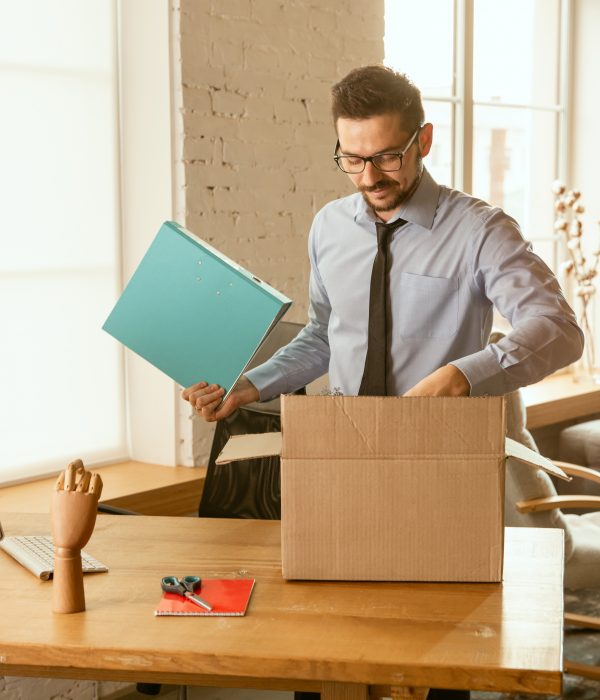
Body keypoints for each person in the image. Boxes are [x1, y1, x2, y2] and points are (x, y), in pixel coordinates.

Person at [182, 65, 583, 700]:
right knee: (330, 641)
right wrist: (249, 390)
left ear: (424, 141)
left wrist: (461, 376)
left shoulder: (480, 230)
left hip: (443, 469)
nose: (370, 177)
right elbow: (324, 335)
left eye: (388, 157)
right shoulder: (328, 228)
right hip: (342, 460)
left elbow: (559, 329)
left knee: (439, 647)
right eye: (352, 158)